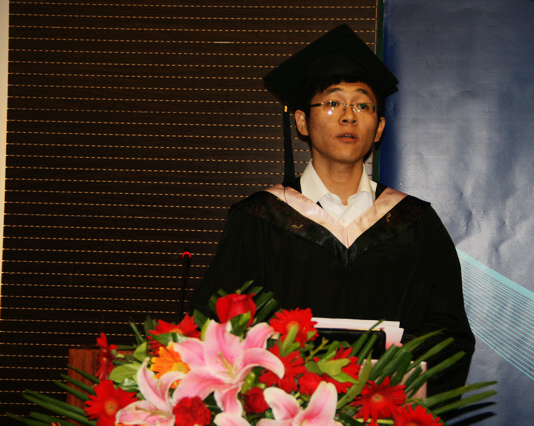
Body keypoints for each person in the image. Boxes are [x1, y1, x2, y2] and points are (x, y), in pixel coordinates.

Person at [189, 24, 475, 397]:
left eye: (362, 105)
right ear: (302, 121)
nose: (348, 116)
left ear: (379, 127)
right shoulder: (260, 218)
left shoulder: (415, 223)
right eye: (332, 103)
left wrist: (386, 387)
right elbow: (217, 326)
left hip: (383, 412)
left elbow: (448, 335)